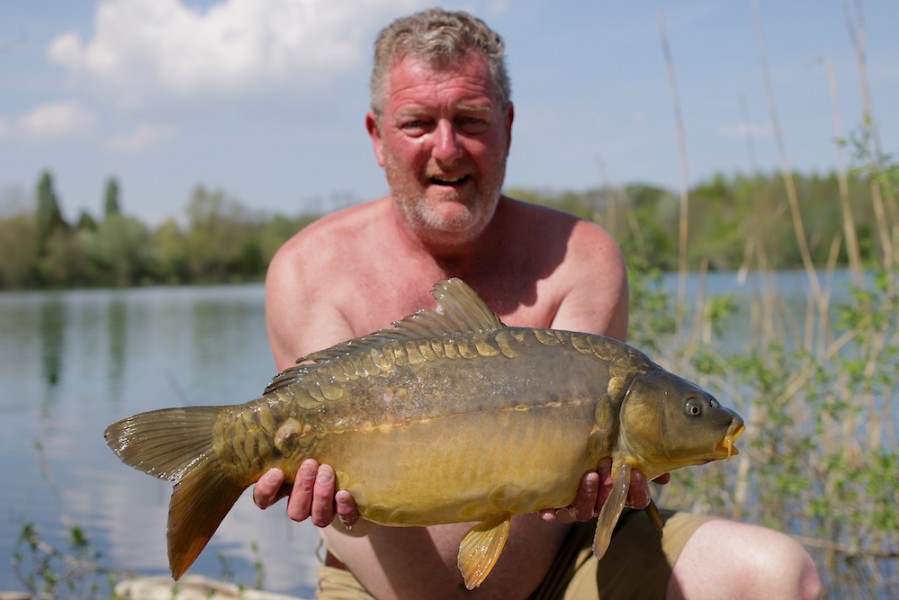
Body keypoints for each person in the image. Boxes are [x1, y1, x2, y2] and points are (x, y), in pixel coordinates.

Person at [254, 8, 821, 599]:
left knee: (781, 575)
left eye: (470, 119)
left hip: (567, 568)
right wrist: (330, 495)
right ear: (377, 136)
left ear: (508, 124)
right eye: (418, 123)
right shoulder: (307, 271)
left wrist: (602, 480)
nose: (447, 149)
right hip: (378, 588)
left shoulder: (581, 256)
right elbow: (338, 475)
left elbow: (594, 467)